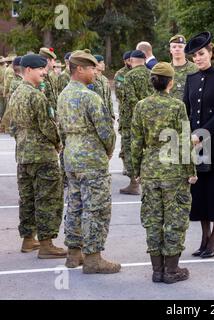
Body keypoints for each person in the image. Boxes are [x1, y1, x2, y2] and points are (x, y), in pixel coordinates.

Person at [131, 62, 197, 284]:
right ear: (171, 82)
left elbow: (135, 141)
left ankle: (157, 270)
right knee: (174, 220)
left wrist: (135, 170)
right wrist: (191, 170)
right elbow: (185, 141)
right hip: (174, 171)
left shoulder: (141, 106)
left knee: (153, 220)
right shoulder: (177, 106)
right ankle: (171, 270)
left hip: (150, 170)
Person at [57, 50, 120, 273]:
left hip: (71, 156)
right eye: (92, 68)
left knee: (75, 205)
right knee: (96, 208)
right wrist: (108, 151)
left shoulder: (63, 94)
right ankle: (93, 258)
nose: (95, 71)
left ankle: (74, 254)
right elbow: (105, 131)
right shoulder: (90, 96)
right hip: (92, 158)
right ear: (80, 69)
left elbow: (60, 129)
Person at [8, 54, 66, 258]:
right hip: (42, 155)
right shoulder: (36, 96)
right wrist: (59, 143)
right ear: (29, 70)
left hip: (23, 154)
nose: (44, 72)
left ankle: (28, 239)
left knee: (28, 198)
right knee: (48, 199)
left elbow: (11, 125)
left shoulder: (16, 93)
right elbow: (47, 126)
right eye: (41, 69)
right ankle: (46, 244)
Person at [183, 31, 214, 258]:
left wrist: (201, 134)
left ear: (211, 53)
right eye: (194, 56)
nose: (198, 58)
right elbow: (186, 109)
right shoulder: (190, 79)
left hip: (213, 140)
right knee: (199, 191)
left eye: (201, 54)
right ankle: (204, 237)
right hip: (194, 142)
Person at [120, 50, 153, 195]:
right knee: (149, 149)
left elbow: (131, 99)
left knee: (131, 150)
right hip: (151, 119)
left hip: (132, 121)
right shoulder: (152, 74)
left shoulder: (129, 76)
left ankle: (134, 183)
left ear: (131, 61)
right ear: (145, 60)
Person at [114, 50, 132, 175]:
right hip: (125, 112)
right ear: (125, 61)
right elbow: (120, 93)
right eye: (129, 60)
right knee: (126, 140)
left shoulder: (140, 71)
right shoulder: (121, 74)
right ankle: (126, 165)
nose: (132, 62)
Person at [168, 34, 198, 100]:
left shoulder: (196, 69)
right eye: (174, 47)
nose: (177, 49)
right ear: (170, 50)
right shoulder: (166, 70)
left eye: (180, 47)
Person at [92, 54, 114, 119]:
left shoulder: (105, 79)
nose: (104, 64)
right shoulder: (91, 79)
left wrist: (112, 115)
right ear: (95, 64)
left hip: (107, 115)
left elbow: (109, 97)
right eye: (101, 63)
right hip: (96, 115)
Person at [38, 48, 59, 112]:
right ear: (47, 60)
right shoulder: (40, 76)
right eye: (53, 60)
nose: (54, 63)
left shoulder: (48, 76)